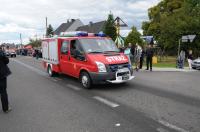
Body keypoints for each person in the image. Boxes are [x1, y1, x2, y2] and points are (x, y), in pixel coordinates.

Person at [0, 46, 12, 113]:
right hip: (1, 74)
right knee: (3, 91)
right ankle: (6, 108)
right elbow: (7, 61)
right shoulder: (1, 53)